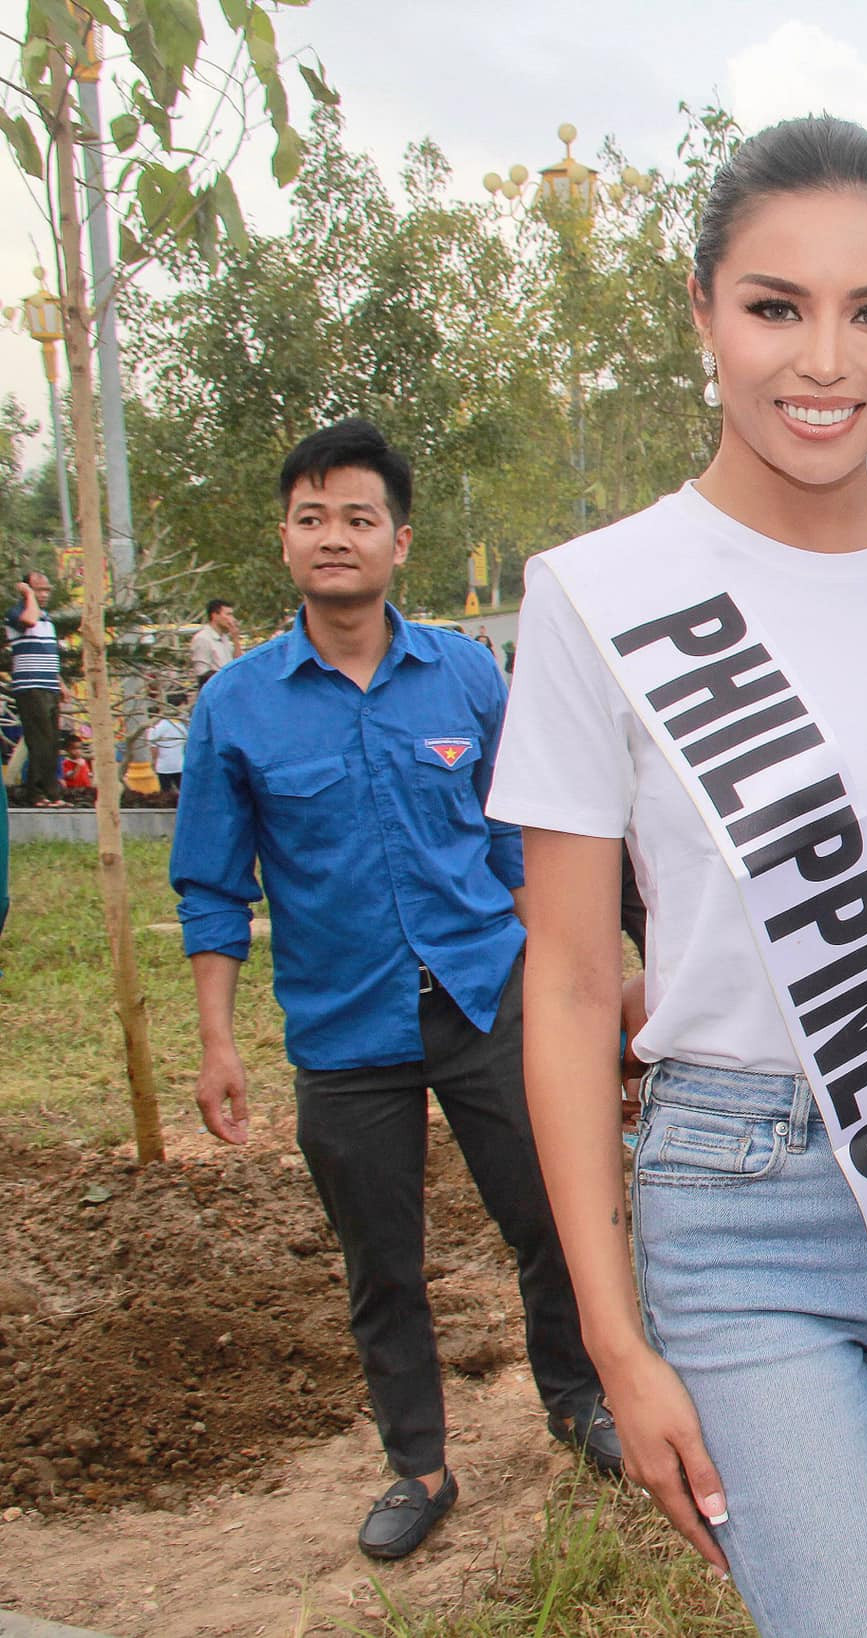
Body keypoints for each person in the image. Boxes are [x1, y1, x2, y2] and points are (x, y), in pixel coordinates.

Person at [485, 117, 867, 1638]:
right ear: (702, 310)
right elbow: (560, 979)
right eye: (774, 305)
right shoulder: (595, 596)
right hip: (742, 1216)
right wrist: (614, 1339)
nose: (826, 362)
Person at [170, 419, 619, 1563]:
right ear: (285, 542)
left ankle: (577, 1400)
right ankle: (415, 1463)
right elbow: (214, 889)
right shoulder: (237, 707)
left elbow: (520, 842)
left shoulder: (466, 674)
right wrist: (218, 1044)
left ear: (398, 542)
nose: (336, 539)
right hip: (342, 1025)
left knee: (552, 1217)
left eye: (358, 518)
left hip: (484, 999)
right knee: (383, 1263)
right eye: (313, 518)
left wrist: (565, 981)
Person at [7, 570, 63, 807]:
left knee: (51, 742)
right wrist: (28, 595)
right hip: (31, 686)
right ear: (26, 589)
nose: (44, 595)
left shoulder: (47, 619)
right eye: (39, 589)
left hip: (48, 684)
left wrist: (60, 683)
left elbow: (47, 652)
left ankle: (47, 792)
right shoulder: (18, 612)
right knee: (39, 741)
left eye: (47, 590)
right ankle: (40, 793)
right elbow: (29, 621)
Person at [145, 690, 189, 797]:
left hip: (180, 765)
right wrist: (155, 760)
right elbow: (153, 743)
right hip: (165, 767)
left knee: (183, 793)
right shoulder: (163, 724)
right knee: (166, 793)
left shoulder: (182, 723)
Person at [190, 597, 240, 686]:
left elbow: (238, 663)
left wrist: (236, 638)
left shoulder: (225, 638)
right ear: (215, 615)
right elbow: (202, 673)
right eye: (228, 614)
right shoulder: (203, 638)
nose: (232, 619)